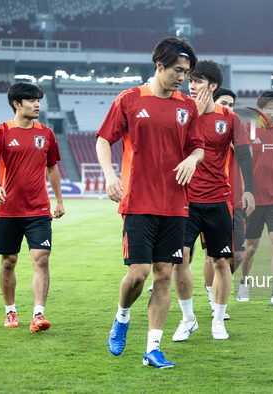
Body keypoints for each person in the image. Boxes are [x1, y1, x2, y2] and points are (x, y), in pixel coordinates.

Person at [96, 37, 203, 369]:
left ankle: (152, 348)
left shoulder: (187, 106)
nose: (182, 77)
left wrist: (193, 160)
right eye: (177, 70)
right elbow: (103, 139)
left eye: (186, 72)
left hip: (175, 204)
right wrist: (110, 175)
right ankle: (122, 316)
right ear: (160, 65)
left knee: (163, 274)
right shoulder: (129, 99)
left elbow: (198, 146)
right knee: (139, 274)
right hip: (138, 201)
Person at [171, 61, 254, 341]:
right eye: (190, 80)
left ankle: (218, 320)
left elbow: (244, 154)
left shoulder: (230, 119)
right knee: (179, 260)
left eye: (197, 81)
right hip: (184, 200)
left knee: (222, 262)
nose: (191, 85)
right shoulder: (181, 112)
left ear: (213, 86)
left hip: (218, 200)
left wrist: (249, 189)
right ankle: (188, 318)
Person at [0, 82, 65, 333]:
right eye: (32, 100)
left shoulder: (47, 133)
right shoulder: (1, 132)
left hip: (39, 210)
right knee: (8, 261)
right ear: (17, 104)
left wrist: (58, 200)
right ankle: (10, 311)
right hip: (9, 209)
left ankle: (38, 314)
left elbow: (52, 168)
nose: (37, 104)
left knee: (42, 260)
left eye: (39, 100)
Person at [239, 90, 273, 308]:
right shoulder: (247, 130)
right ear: (260, 109)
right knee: (250, 248)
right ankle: (243, 282)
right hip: (253, 199)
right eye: (269, 108)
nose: (272, 113)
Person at [203, 87, 239, 320]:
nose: (228, 108)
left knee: (235, 257)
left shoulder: (235, 129)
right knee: (212, 255)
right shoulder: (209, 132)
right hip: (210, 197)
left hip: (236, 198)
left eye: (232, 104)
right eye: (224, 103)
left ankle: (216, 292)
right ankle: (212, 300)